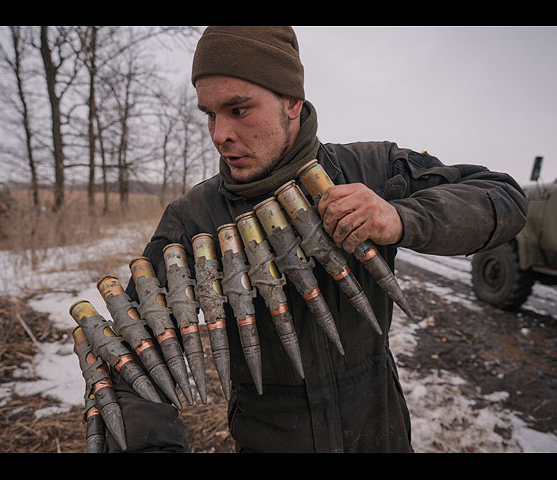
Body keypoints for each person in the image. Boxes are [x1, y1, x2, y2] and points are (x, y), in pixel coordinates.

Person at [106, 26, 528, 453]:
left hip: (381, 436)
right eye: (210, 114)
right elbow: (133, 354)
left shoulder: (371, 168)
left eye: (238, 110)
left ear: (292, 102)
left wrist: (398, 217)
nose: (219, 135)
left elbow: (502, 196)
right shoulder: (194, 220)